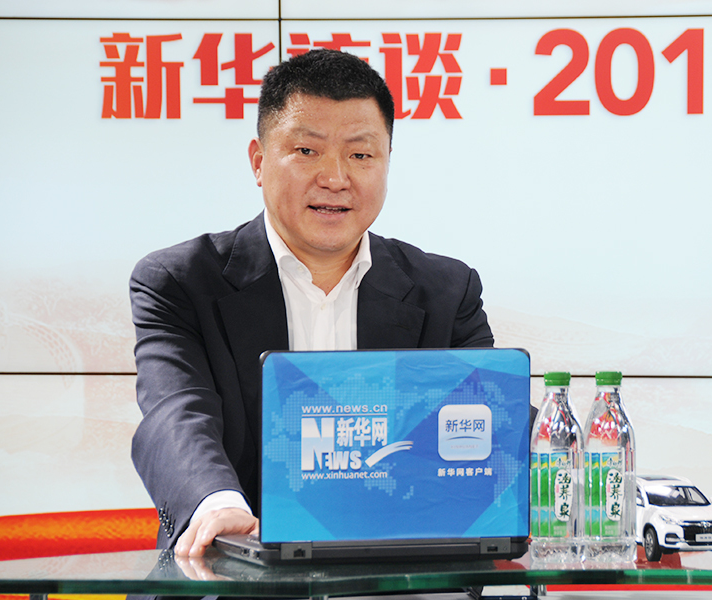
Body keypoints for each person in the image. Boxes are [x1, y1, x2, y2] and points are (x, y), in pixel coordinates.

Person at [129, 49, 495, 559]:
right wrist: (218, 505)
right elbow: (176, 413)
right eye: (307, 150)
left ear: (387, 162)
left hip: (401, 575)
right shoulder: (182, 282)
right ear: (259, 161)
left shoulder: (446, 291)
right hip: (239, 570)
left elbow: (491, 419)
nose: (335, 177)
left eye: (361, 155)